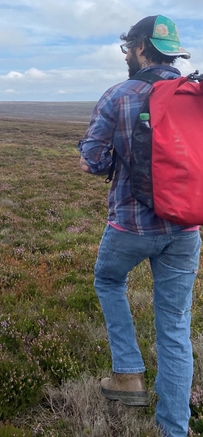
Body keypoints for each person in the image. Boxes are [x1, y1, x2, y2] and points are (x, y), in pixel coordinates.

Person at [78, 15, 201, 437]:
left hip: (132, 225)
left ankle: (128, 373)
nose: (127, 56)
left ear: (141, 49)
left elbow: (93, 160)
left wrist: (110, 158)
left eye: (128, 48)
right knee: (175, 326)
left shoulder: (120, 94)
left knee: (108, 281)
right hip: (186, 227)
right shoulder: (196, 95)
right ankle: (174, 429)